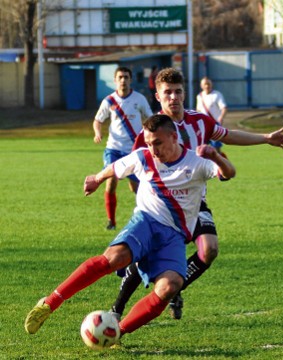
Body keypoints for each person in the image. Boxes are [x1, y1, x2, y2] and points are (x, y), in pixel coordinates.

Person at [25, 114, 236, 341]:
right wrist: (96, 179)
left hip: (174, 236)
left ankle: (117, 332)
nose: (153, 149)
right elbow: (116, 167)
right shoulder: (143, 157)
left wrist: (216, 156)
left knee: (170, 286)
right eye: (148, 143)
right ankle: (49, 303)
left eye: (158, 143)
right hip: (146, 222)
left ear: (174, 137)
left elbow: (228, 173)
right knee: (114, 258)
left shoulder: (196, 163)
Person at [110, 67, 283, 321]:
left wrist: (265, 138)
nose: (173, 97)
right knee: (141, 259)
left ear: (185, 93)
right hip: (159, 207)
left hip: (194, 202)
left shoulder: (200, 122)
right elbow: (137, 166)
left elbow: (228, 136)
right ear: (158, 97)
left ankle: (174, 288)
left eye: (178, 91)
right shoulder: (150, 132)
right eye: (167, 93)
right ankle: (116, 311)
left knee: (209, 250)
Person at [93, 66, 154, 230]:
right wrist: (97, 132)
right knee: (111, 181)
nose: (123, 80)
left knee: (138, 187)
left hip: (133, 149)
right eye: (120, 77)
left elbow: (150, 119)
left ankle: (145, 216)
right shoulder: (109, 101)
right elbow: (98, 120)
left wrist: (150, 134)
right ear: (115, 80)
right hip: (113, 148)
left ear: (130, 79)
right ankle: (111, 221)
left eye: (126, 77)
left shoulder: (139, 99)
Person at [197, 77, 228, 152]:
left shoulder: (217, 95)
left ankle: (219, 162)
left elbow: (224, 108)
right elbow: (198, 110)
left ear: (211, 84)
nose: (207, 86)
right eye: (205, 84)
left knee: (216, 147)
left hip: (215, 124)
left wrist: (221, 118)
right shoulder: (199, 96)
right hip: (203, 125)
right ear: (201, 86)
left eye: (208, 84)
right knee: (202, 147)